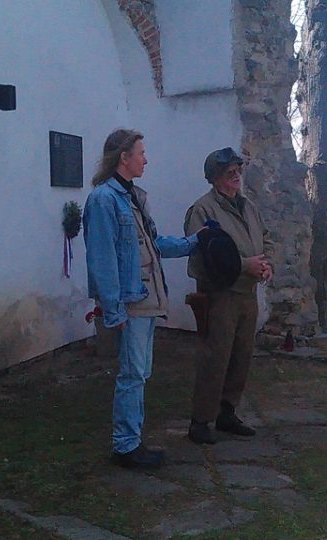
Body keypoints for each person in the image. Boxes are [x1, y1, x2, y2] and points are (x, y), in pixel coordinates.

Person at [83, 128, 199, 469]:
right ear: (124, 157)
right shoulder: (104, 200)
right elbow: (102, 261)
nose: (145, 159)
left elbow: (153, 245)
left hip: (146, 300)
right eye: (141, 153)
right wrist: (114, 311)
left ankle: (132, 441)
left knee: (140, 372)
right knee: (132, 374)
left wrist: (194, 241)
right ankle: (126, 446)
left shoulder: (132, 197)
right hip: (131, 303)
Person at [183, 147, 273, 445]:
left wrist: (265, 265)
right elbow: (204, 259)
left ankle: (227, 412)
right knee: (215, 358)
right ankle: (200, 421)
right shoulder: (203, 211)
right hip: (219, 296)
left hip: (246, 294)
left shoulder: (248, 207)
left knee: (241, 356)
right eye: (229, 173)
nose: (236, 176)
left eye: (237, 170)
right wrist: (244, 266)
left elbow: (265, 238)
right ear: (215, 178)